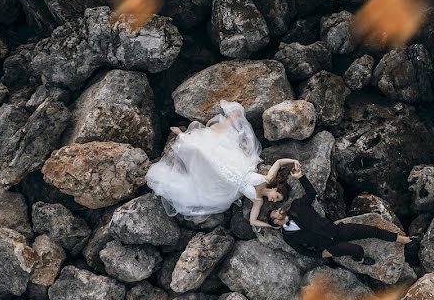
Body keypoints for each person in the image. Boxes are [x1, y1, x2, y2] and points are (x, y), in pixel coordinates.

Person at [146, 100, 299, 222]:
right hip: (235, 164)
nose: (273, 200)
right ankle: (184, 136)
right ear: (276, 190)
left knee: (203, 160)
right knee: (209, 149)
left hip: (224, 178)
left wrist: (271, 226)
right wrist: (293, 161)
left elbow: (253, 220)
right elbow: (279, 162)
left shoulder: (258, 201)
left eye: (275, 201)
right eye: (277, 197)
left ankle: (184, 140)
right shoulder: (268, 178)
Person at [267, 163, 414, 264]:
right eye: (275, 213)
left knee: (371, 230)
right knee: (357, 250)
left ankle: (403, 239)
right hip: (327, 246)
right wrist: (321, 254)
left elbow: (311, 193)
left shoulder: (297, 206)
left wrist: (301, 177)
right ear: (275, 222)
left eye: (277, 209)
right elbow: (302, 251)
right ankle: (361, 261)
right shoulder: (288, 236)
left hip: (336, 230)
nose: (279, 210)